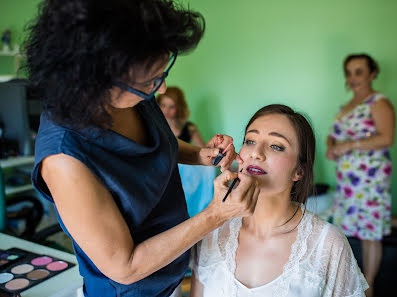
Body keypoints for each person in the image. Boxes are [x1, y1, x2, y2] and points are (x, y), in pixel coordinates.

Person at [26, 1, 259, 296]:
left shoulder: (133, 94)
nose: (160, 89)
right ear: (96, 80)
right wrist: (215, 214)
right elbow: (126, 267)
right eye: (152, 80)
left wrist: (201, 155)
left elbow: (159, 143)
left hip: (174, 271)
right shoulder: (64, 160)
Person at [191, 104, 368, 297]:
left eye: (276, 146)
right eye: (250, 141)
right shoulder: (213, 232)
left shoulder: (328, 245)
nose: (255, 152)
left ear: (299, 171)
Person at [326, 53, 397, 297]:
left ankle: (368, 285)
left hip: (370, 177)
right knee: (353, 221)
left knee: (370, 232)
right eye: (349, 72)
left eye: (359, 71)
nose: (353, 77)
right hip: (348, 179)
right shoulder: (345, 106)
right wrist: (330, 144)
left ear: (372, 74)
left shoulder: (379, 102)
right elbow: (333, 133)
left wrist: (347, 146)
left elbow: (387, 138)